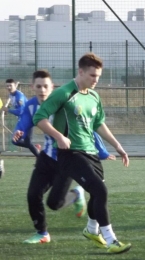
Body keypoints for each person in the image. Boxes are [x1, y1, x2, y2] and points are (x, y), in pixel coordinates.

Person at [33, 53, 131, 254]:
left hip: (91, 152)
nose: (96, 80)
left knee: (97, 194)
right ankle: (111, 240)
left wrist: (117, 146)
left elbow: (99, 124)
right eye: (92, 75)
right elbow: (39, 117)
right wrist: (59, 136)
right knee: (101, 191)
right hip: (71, 154)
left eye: (98, 76)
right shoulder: (64, 93)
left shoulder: (94, 96)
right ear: (81, 72)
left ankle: (91, 229)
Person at [14, 70, 115, 244]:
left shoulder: (63, 101)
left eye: (46, 86)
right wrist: (18, 133)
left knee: (54, 204)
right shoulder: (31, 106)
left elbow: (88, 129)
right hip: (46, 158)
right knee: (33, 195)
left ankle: (76, 194)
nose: (42, 90)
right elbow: (23, 124)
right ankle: (42, 233)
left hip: (66, 160)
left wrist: (103, 151)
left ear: (52, 87)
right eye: (38, 86)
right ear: (32, 87)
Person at [3, 79, 41, 157]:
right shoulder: (11, 94)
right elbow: (14, 90)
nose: (9, 87)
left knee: (17, 141)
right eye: (7, 86)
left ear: (14, 86)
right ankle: (37, 151)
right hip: (23, 120)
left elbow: (20, 111)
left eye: (11, 85)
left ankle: (40, 158)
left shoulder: (19, 96)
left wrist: (8, 110)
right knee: (21, 142)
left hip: (28, 119)